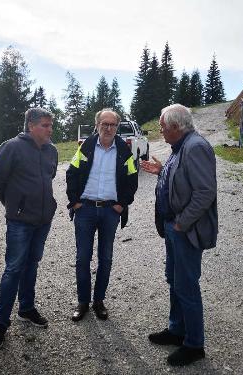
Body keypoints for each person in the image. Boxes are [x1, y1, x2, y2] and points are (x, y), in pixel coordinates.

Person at [141, 104, 218, 367]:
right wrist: (161, 171)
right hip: (175, 229)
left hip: (185, 231)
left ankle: (194, 344)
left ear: (176, 127)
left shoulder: (196, 147)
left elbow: (205, 192)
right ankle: (177, 331)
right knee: (175, 281)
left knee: (186, 286)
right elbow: (182, 179)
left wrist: (182, 223)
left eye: (162, 127)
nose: (160, 131)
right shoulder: (181, 147)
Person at [0, 107, 58, 350]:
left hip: (43, 220)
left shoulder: (52, 150)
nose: (50, 129)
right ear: (30, 125)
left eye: (51, 125)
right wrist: (13, 206)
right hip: (19, 221)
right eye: (45, 125)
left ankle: (26, 309)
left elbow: (50, 177)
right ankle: (0, 325)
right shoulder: (12, 147)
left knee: (32, 264)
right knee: (13, 269)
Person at [66, 108, 138, 321]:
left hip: (110, 212)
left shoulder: (124, 151)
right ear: (97, 125)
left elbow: (132, 180)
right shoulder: (86, 147)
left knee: (105, 259)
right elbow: (71, 173)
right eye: (104, 124)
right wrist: (75, 202)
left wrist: (121, 204)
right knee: (82, 258)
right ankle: (83, 302)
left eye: (112, 125)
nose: (108, 128)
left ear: (117, 127)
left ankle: (99, 301)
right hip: (85, 210)